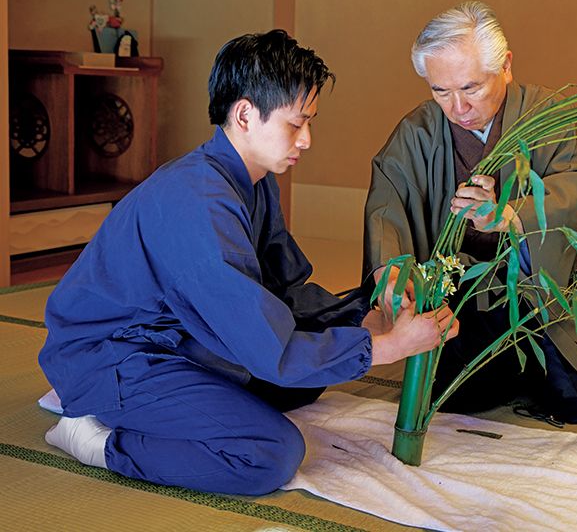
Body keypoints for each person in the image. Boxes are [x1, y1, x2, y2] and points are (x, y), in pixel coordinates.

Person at [39, 29, 458, 495]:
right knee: (269, 453)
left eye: (310, 122)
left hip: (174, 338)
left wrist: (368, 316)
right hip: (112, 357)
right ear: (244, 114)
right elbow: (262, 340)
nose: (307, 139)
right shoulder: (198, 199)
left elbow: (285, 291)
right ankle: (100, 442)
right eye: (296, 124)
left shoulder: (253, 181)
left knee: (300, 384)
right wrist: (382, 349)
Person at [363, 1, 577, 423]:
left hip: (538, 292)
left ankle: (536, 363)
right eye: (440, 91)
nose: (457, 107)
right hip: (463, 296)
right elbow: (387, 203)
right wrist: (387, 272)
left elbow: (568, 192)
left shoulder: (552, 120)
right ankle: (506, 368)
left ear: (505, 66)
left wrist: (510, 215)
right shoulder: (417, 132)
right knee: (454, 399)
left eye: (470, 88)